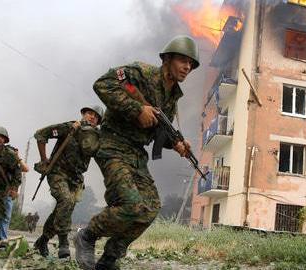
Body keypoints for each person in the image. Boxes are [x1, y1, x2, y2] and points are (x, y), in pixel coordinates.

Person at [74, 35, 199, 269]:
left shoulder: (172, 97)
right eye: (183, 60)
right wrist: (137, 109)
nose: (187, 67)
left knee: (150, 209)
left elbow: (160, 131)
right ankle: (87, 235)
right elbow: (102, 84)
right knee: (131, 205)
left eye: (191, 64)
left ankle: (110, 258)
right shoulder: (141, 73)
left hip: (136, 154)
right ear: (168, 58)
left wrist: (177, 144)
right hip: (113, 144)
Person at [33, 105, 102, 258]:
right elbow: (40, 135)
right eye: (90, 113)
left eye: (96, 117)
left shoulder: (95, 137)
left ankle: (43, 240)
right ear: (83, 114)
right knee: (66, 200)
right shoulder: (70, 128)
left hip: (76, 179)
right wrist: (44, 160)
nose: (92, 117)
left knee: (63, 209)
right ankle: (64, 242)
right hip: (58, 172)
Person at [0, 146, 29, 243]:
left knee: (5, 218)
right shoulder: (0, 161)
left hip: (8, 194)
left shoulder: (14, 164)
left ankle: (2, 240)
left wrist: (18, 157)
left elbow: (26, 169)